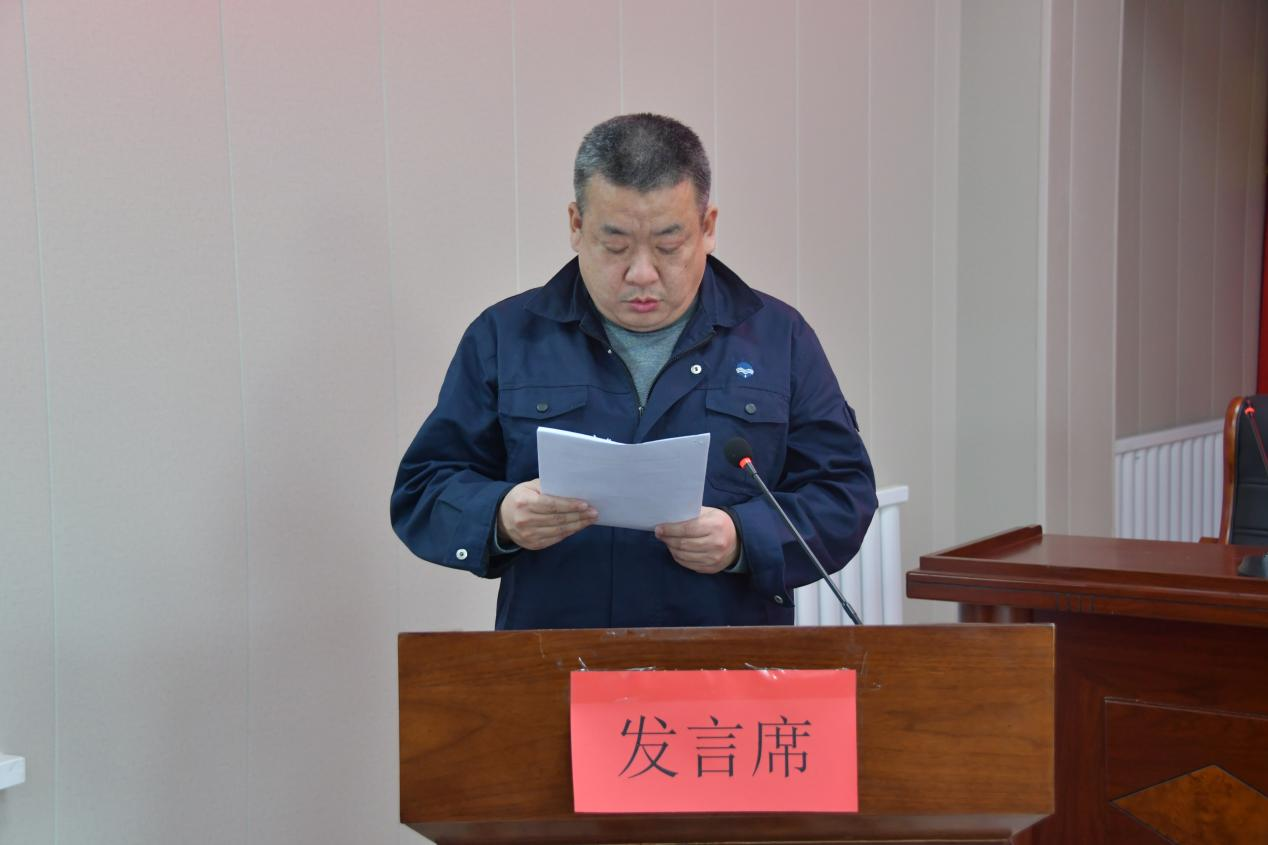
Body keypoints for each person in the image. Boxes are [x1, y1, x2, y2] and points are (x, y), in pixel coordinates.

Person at [391, 113, 876, 629]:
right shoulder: (505, 337)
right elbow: (424, 488)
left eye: (668, 245)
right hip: (554, 655)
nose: (642, 274)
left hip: (728, 661)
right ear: (576, 226)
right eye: (616, 245)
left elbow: (842, 493)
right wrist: (501, 515)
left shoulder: (779, 338)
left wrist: (743, 538)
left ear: (708, 228)